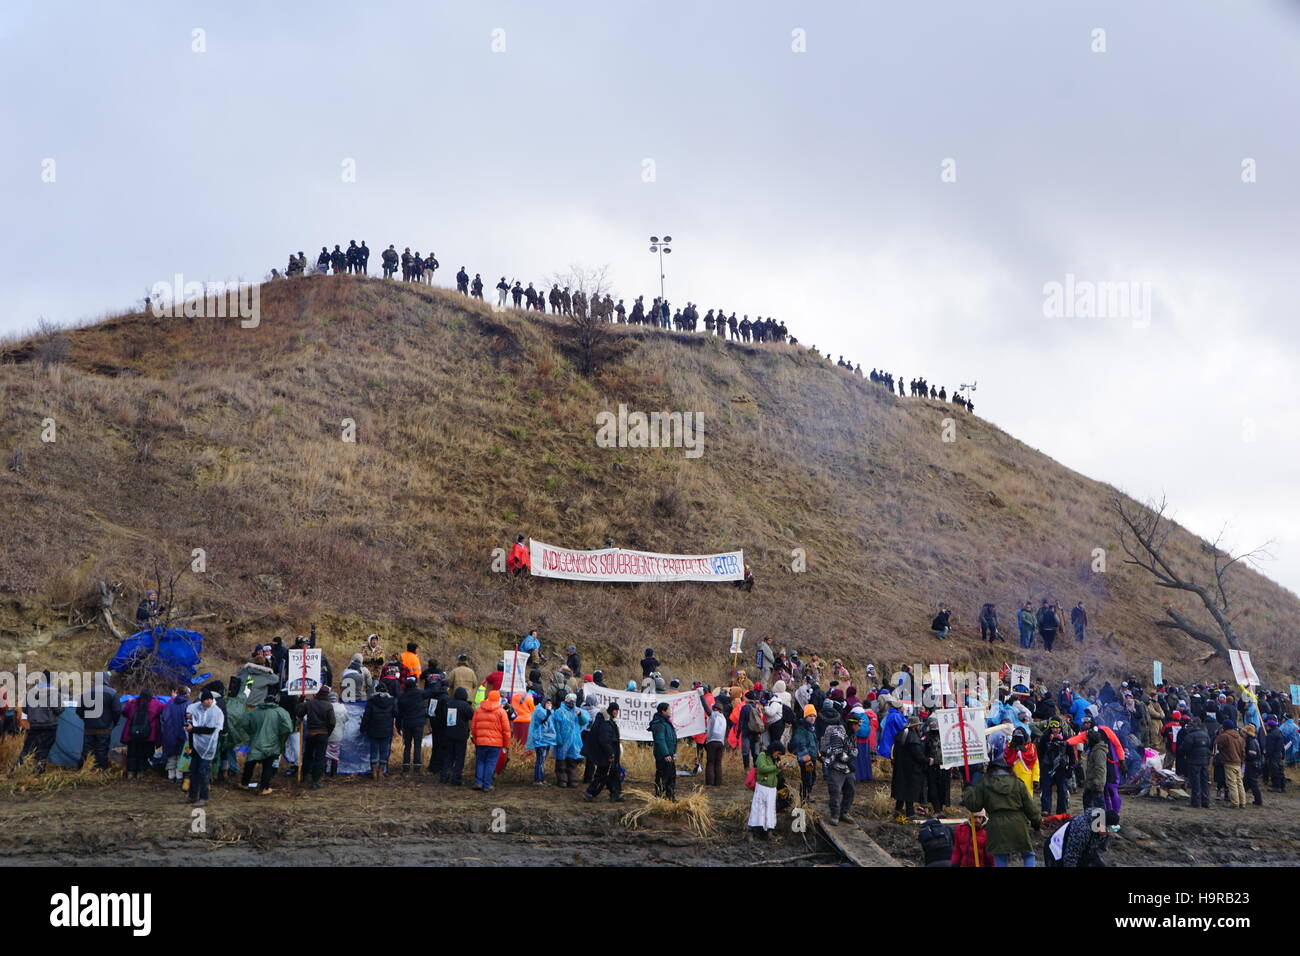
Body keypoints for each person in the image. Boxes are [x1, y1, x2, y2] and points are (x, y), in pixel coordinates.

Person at [961, 755, 1042, 866]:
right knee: (1028, 854)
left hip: (996, 825)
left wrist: (968, 789)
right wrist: (1037, 823)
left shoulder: (984, 784)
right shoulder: (1018, 783)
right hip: (1018, 823)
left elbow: (974, 806)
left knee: (1000, 857)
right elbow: (1031, 807)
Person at [242, 693, 293, 794]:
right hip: (272, 742)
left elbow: (244, 723)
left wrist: (252, 732)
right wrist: (280, 735)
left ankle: (244, 783)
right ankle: (264, 788)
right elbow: (288, 727)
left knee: (250, 762)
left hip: (256, 741)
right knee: (268, 765)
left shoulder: (254, 711)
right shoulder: (280, 712)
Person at [185, 689, 225, 807]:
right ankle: (192, 795)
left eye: (210, 699)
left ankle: (204, 797)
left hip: (208, 746)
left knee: (203, 771)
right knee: (193, 770)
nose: (208, 702)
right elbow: (189, 722)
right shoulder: (195, 708)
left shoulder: (216, 712)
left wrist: (194, 729)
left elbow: (211, 729)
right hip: (196, 746)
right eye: (206, 700)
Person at [819, 700, 857, 825]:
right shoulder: (838, 733)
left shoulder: (852, 735)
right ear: (853, 724)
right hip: (835, 766)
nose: (859, 727)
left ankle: (844, 812)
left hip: (847, 766)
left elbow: (855, 751)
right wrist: (849, 759)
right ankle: (835, 814)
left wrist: (850, 758)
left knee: (850, 790)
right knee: (835, 791)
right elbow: (837, 752)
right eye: (858, 724)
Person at [17, 672, 63, 773]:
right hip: (49, 725)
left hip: (34, 725)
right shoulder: (55, 693)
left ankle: (17, 768)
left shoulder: (30, 692)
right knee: (45, 748)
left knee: (28, 747)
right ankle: (39, 769)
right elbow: (58, 710)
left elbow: (24, 709)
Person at [77, 672, 123, 770]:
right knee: (102, 750)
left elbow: (79, 711)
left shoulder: (86, 692)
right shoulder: (112, 693)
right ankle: (100, 771)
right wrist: (113, 723)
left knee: (87, 750)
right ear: (107, 679)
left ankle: (84, 769)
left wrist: (86, 720)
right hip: (104, 728)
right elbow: (117, 711)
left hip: (89, 727)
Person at [470, 689, 511, 792]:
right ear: (498, 699)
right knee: (490, 763)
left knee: (480, 762)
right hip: (495, 744)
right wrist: (506, 745)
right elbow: (506, 730)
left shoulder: (478, 710)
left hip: (480, 742)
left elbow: (473, 727)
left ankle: (478, 782)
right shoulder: (501, 711)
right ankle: (487, 785)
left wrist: (475, 739)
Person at [1045, 807, 1115, 867]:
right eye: (1107, 829)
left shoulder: (1102, 830)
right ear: (1099, 824)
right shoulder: (1082, 829)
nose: (1108, 832)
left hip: (1079, 849)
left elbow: (1093, 852)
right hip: (1055, 851)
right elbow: (1070, 857)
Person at [296, 687, 336, 790]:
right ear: (327, 695)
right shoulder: (328, 705)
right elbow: (332, 722)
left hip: (311, 733)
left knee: (307, 755)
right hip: (322, 734)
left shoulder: (310, 703)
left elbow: (299, 713)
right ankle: (314, 781)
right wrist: (328, 733)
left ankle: (303, 776)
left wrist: (300, 701)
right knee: (319, 758)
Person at [119, 690, 164, 779]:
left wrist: (130, 702)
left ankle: (130, 772)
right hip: (148, 735)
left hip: (133, 733)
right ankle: (141, 772)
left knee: (132, 753)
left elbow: (124, 712)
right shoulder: (156, 703)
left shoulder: (133, 702)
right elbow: (163, 709)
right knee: (144, 753)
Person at [584, 703, 624, 801]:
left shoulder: (607, 721)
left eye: (618, 710)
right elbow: (604, 741)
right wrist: (610, 754)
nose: (617, 712)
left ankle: (615, 794)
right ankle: (590, 793)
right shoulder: (606, 723)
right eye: (615, 710)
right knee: (602, 775)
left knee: (613, 774)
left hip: (609, 753)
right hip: (607, 754)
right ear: (611, 710)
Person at [891, 714, 927, 822]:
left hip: (900, 767)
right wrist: (926, 760)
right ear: (915, 726)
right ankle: (910, 813)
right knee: (909, 791)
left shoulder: (900, 735)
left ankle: (897, 810)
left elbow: (895, 752)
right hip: (911, 769)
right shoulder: (913, 738)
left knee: (901, 789)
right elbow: (918, 755)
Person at [359, 681, 397, 779]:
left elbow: (366, 716)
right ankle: (381, 772)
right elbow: (396, 714)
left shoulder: (371, 701)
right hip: (386, 730)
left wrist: (362, 728)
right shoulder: (392, 701)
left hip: (373, 730)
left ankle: (374, 772)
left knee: (374, 751)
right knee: (384, 751)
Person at [552, 693, 589, 788]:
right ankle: (562, 781)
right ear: (566, 700)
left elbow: (584, 721)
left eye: (573, 701)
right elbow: (556, 727)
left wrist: (580, 715)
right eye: (570, 701)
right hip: (563, 741)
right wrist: (558, 739)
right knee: (561, 762)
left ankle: (573, 780)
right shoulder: (559, 712)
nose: (572, 703)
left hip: (574, 742)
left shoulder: (577, 711)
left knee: (572, 762)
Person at [748, 742, 784, 837]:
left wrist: (780, 769)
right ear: (773, 750)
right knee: (758, 809)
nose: (779, 755)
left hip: (772, 788)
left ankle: (769, 831)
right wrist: (776, 767)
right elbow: (762, 768)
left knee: (770, 810)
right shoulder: (762, 755)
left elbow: (774, 772)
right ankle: (751, 831)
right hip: (762, 786)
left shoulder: (775, 759)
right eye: (778, 753)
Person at [1214, 720, 1246, 808]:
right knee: (1239, 783)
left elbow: (1217, 744)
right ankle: (1242, 802)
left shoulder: (1225, 736)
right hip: (1238, 763)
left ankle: (1235, 802)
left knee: (1232, 783)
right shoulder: (1240, 737)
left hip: (1229, 762)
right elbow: (1243, 752)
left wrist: (1219, 734)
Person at [650, 702, 678, 801]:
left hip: (669, 754)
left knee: (671, 776)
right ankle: (660, 796)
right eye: (669, 709)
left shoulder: (666, 722)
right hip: (663, 755)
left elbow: (671, 738)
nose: (670, 711)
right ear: (663, 711)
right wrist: (665, 754)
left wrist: (673, 753)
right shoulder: (659, 723)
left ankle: (670, 796)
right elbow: (660, 739)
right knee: (663, 776)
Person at [527, 697, 557, 784]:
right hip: (540, 739)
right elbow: (543, 719)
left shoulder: (549, 712)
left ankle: (541, 779)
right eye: (547, 703)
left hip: (547, 739)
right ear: (544, 703)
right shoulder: (539, 711)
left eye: (550, 704)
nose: (549, 705)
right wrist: (549, 711)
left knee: (542, 760)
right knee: (540, 760)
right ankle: (537, 780)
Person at [704, 701, 728, 786]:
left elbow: (705, 707)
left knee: (710, 762)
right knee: (718, 762)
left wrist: (701, 696)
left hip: (712, 741)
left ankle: (710, 782)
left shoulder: (713, 715)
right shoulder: (723, 718)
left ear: (715, 709)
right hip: (721, 742)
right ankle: (718, 782)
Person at [1243, 723, 1265, 807]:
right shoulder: (1253, 740)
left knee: (1252, 783)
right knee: (1247, 782)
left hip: (1252, 765)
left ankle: (1258, 800)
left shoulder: (1251, 741)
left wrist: (1245, 756)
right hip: (1254, 764)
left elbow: (1252, 754)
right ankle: (1240, 796)